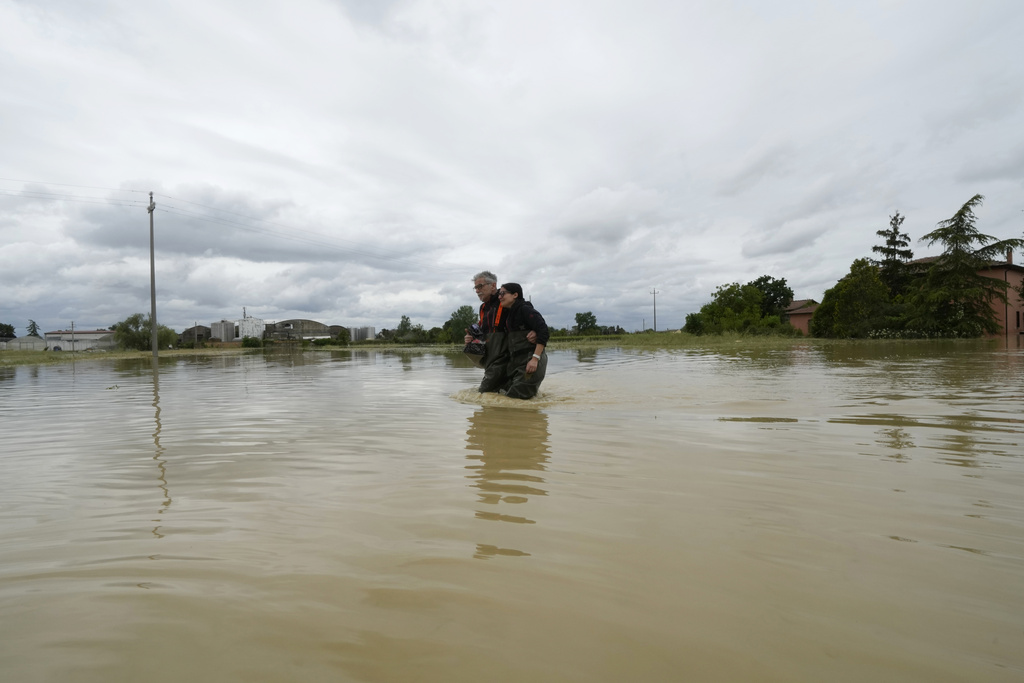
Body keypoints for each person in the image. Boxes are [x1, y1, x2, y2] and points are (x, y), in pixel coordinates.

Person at [465, 271, 535, 393]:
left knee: (483, 393)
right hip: (491, 360)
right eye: (475, 287)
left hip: (508, 358)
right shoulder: (482, 308)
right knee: (500, 393)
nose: (477, 290)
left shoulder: (505, 300)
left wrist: (535, 330)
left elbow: (526, 310)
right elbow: (483, 333)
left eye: (480, 286)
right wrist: (471, 338)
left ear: (493, 285)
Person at [495, 282, 549, 399]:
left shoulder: (525, 309)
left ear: (515, 295)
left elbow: (544, 330)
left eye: (503, 293)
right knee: (504, 395)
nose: (499, 297)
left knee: (513, 401)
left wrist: (535, 359)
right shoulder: (509, 314)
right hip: (517, 365)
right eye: (499, 294)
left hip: (531, 363)